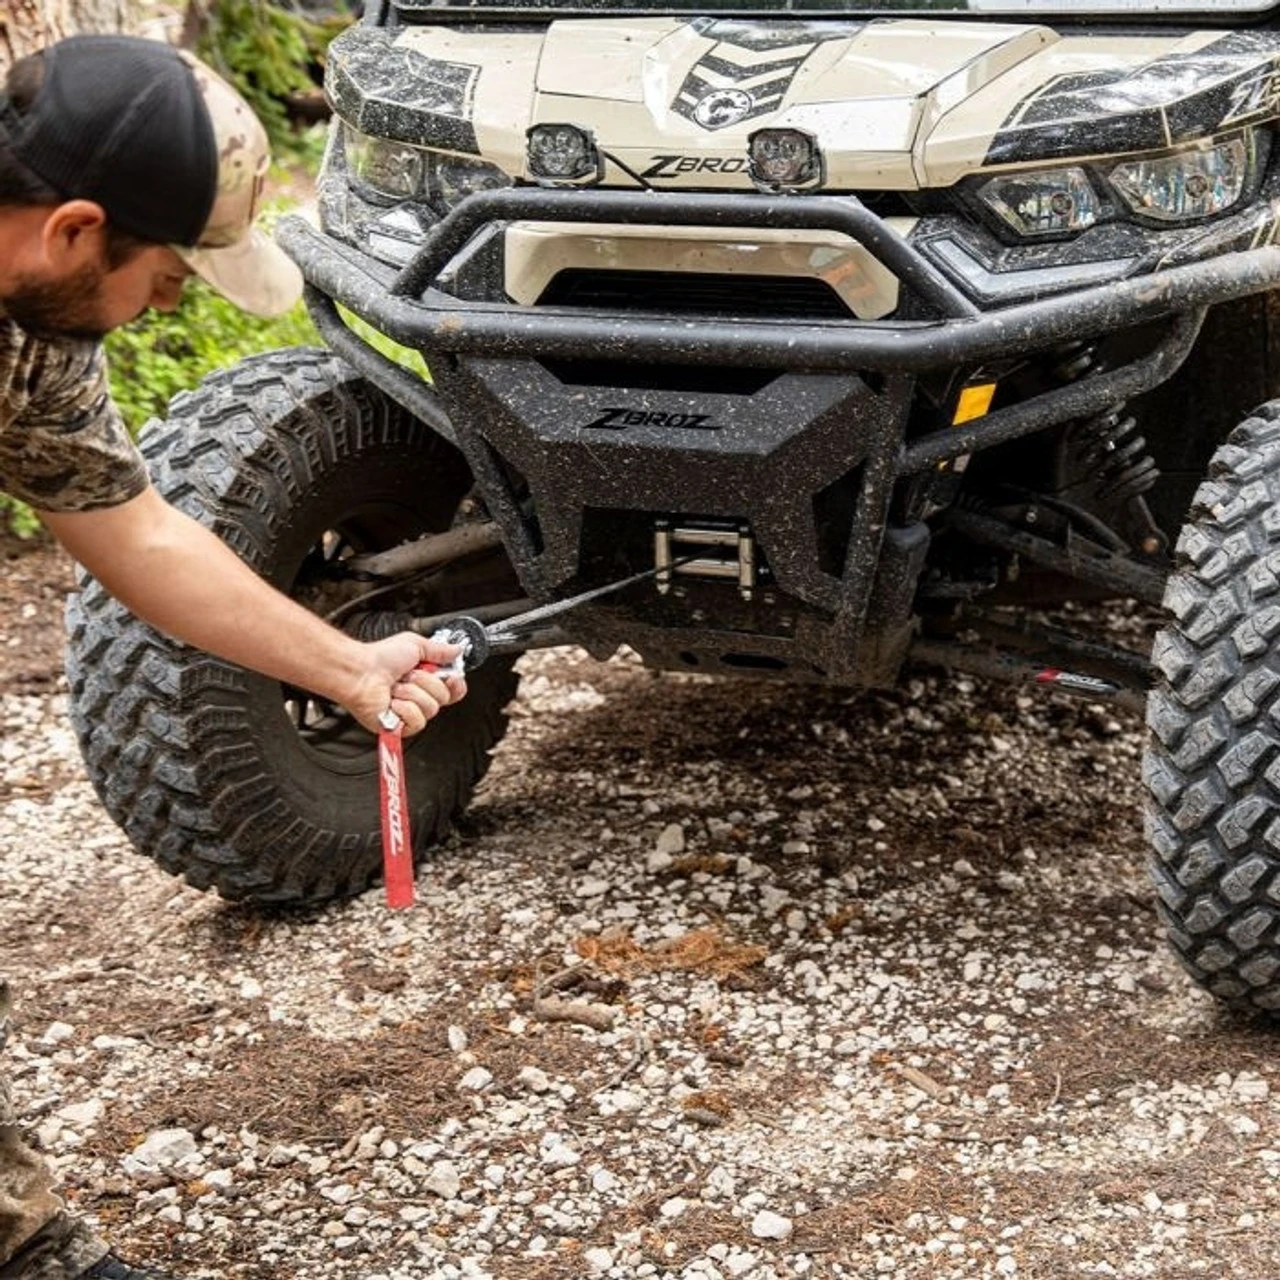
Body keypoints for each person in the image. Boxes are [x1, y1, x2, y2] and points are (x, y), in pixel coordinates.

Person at [0, 35, 467, 1280]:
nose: (169, 305)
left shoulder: (34, 337)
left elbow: (137, 532)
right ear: (74, 231)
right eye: (163, 274)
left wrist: (349, 669)